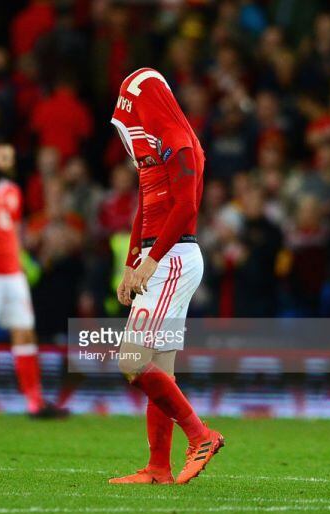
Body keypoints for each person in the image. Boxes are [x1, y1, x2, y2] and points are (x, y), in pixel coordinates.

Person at [108, 68, 224, 485]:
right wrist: (130, 261)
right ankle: (159, 466)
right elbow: (145, 201)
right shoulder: (155, 143)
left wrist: (152, 260)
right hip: (162, 256)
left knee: (131, 361)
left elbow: (186, 207)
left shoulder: (181, 142)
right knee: (159, 368)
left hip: (174, 257)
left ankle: (201, 435)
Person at [0, 138, 66, 419]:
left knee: (25, 332)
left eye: (11, 157)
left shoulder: (13, 191)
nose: (9, 163)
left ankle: (34, 403)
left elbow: (14, 234)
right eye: (3, 157)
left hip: (12, 275)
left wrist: (24, 260)